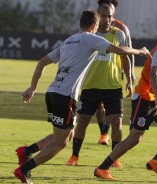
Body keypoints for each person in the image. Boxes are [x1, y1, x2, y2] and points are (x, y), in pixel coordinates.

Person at [13, 9, 149, 184]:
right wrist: (141, 51)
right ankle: (24, 170)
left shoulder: (69, 40)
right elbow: (120, 50)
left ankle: (26, 152)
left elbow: (42, 62)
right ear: (94, 25)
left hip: (53, 92)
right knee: (60, 143)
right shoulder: (90, 38)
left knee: (64, 136)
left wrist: (32, 88)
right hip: (65, 96)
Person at [94, 18, 157, 180]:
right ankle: (102, 168)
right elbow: (154, 73)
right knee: (135, 137)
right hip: (146, 97)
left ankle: (155, 161)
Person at [66, 4, 131, 168]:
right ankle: (74, 156)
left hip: (113, 86)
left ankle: (115, 158)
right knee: (83, 121)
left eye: (110, 16)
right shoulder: (89, 36)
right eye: (103, 16)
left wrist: (129, 78)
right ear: (97, 16)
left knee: (117, 121)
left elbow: (125, 58)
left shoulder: (119, 34)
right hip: (90, 85)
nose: (107, 19)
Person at [95, 0, 135, 144]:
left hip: (116, 70)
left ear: (114, 11)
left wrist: (131, 74)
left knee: (110, 105)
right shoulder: (94, 25)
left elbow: (128, 51)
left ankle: (105, 134)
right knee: (98, 106)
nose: (107, 17)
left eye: (110, 12)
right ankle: (103, 132)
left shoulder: (122, 28)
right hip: (95, 72)